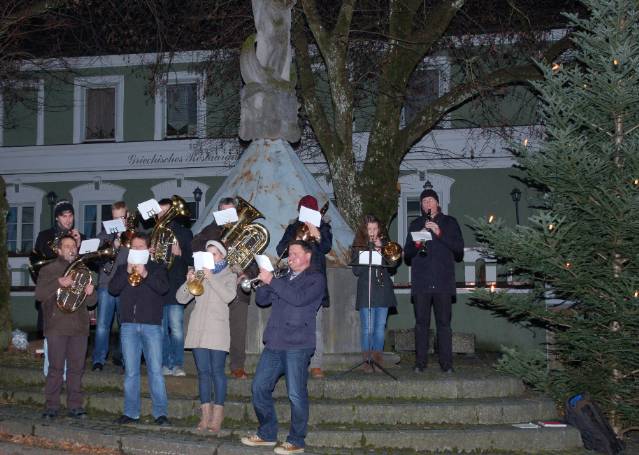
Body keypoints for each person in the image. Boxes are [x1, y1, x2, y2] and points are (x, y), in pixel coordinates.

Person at [241, 241, 325, 455]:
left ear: (308, 256)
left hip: (298, 344)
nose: (290, 258)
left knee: (296, 394)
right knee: (259, 387)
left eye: (295, 254)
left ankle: (296, 440)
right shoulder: (282, 278)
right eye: (289, 254)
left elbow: (298, 299)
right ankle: (267, 433)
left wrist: (273, 281)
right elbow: (262, 301)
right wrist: (263, 282)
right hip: (275, 342)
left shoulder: (316, 279)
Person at [192, 196, 258, 380]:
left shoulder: (246, 232)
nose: (227, 216)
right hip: (213, 287)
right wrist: (217, 240)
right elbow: (195, 246)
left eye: (230, 212)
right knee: (212, 328)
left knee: (238, 328)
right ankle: (213, 367)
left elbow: (253, 261)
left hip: (237, 287)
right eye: (223, 212)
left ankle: (237, 366)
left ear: (236, 213)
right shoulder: (209, 230)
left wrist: (247, 275)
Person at [109, 232, 171, 425]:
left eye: (140, 247)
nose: (136, 250)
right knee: (131, 372)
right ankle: (131, 412)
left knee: (155, 371)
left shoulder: (157, 268)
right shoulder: (122, 268)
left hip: (151, 325)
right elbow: (113, 289)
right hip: (128, 325)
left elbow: (163, 289)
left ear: (148, 249)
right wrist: (127, 272)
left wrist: (145, 273)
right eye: (133, 247)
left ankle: (160, 413)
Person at [176, 240, 236, 432]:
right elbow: (180, 298)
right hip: (198, 330)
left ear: (222, 257)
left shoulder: (229, 275)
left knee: (217, 372)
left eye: (214, 254)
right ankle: (205, 416)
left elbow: (229, 297)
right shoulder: (199, 274)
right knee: (203, 372)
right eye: (207, 254)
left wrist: (211, 278)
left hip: (217, 330)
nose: (210, 258)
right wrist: (189, 281)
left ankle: (217, 415)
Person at [403, 189, 464, 374]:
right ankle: (420, 363)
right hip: (421, 282)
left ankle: (447, 364)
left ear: (437, 203)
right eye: (424, 202)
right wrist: (418, 240)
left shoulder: (450, 222)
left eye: (430, 200)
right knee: (421, 324)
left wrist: (439, 232)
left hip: (443, 281)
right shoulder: (415, 224)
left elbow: (459, 250)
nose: (427, 204)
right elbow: (407, 255)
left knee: (444, 324)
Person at [35, 235, 96, 419]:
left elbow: (92, 302)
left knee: (77, 369)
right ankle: (51, 406)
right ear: (59, 250)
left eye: (73, 246)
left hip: (79, 327)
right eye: (66, 246)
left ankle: (75, 405)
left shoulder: (84, 270)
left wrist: (91, 293)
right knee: (55, 368)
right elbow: (39, 295)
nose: (71, 249)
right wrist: (58, 283)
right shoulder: (49, 269)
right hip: (57, 327)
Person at [276, 195, 332, 379]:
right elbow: (280, 250)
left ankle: (316, 364)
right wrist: (294, 239)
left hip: (314, 280)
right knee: (293, 322)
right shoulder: (293, 227)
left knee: (316, 325)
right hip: (294, 281)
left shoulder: (324, 227)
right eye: (303, 210)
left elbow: (326, 247)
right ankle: (295, 362)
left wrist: (317, 233)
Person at [351, 215, 398, 373]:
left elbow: (392, 264)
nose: (372, 232)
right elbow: (356, 270)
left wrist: (381, 250)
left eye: (375, 228)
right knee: (367, 328)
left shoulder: (385, 244)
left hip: (383, 290)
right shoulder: (358, 246)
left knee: (379, 327)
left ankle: (377, 361)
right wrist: (369, 253)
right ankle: (367, 361)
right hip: (366, 291)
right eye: (369, 229)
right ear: (364, 230)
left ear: (379, 230)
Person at [30, 200, 84, 336]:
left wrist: (78, 246)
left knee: (72, 326)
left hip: (72, 288)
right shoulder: (45, 236)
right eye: (64, 216)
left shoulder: (80, 237)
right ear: (56, 218)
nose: (68, 220)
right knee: (50, 327)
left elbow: (88, 264)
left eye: (70, 215)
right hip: (52, 285)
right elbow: (37, 261)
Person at [157, 198, 193, 377]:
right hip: (158, 287)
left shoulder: (185, 233)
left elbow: (192, 260)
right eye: (160, 212)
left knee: (177, 328)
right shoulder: (154, 233)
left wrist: (180, 253)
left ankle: (177, 364)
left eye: (166, 212)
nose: (162, 215)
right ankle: (165, 363)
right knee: (162, 329)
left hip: (176, 285)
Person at [92, 201, 129, 371]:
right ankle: (98, 360)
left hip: (125, 286)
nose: (119, 221)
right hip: (106, 284)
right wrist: (112, 245)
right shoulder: (104, 235)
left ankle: (122, 358)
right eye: (115, 218)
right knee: (102, 325)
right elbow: (96, 256)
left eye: (122, 217)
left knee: (125, 324)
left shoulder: (133, 235)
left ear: (127, 216)